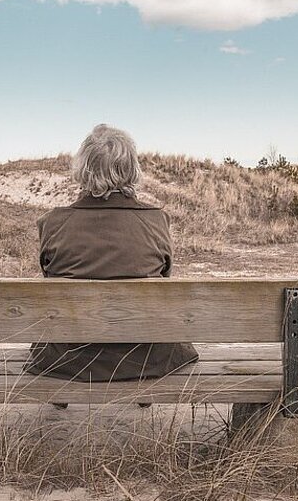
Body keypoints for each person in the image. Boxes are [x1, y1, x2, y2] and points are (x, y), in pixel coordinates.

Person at [23, 124, 199, 386]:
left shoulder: (53, 223)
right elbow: (163, 280)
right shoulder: (157, 221)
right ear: (131, 169)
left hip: (69, 361)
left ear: (83, 170)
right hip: (146, 358)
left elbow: (51, 278)